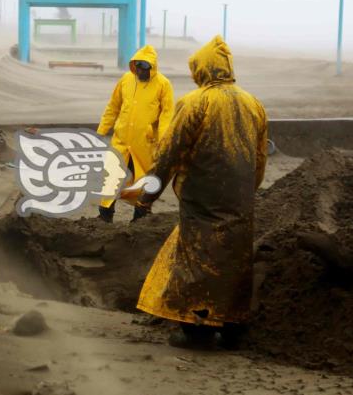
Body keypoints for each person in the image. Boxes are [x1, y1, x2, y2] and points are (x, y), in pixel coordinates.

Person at [135, 35, 268, 348]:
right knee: (235, 260)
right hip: (240, 201)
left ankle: (198, 328)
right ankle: (234, 325)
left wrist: (147, 197)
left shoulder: (195, 103)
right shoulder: (253, 104)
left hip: (202, 200)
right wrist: (245, 191)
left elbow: (168, 155)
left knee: (200, 259)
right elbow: (260, 159)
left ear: (202, 70)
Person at [96, 45, 174, 223]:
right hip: (121, 140)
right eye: (137, 65)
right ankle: (104, 215)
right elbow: (113, 107)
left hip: (144, 144)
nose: (140, 69)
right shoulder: (125, 80)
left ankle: (140, 217)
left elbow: (166, 116)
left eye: (145, 66)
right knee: (111, 176)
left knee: (144, 181)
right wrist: (101, 130)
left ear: (152, 67)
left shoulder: (163, 84)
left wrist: (163, 142)